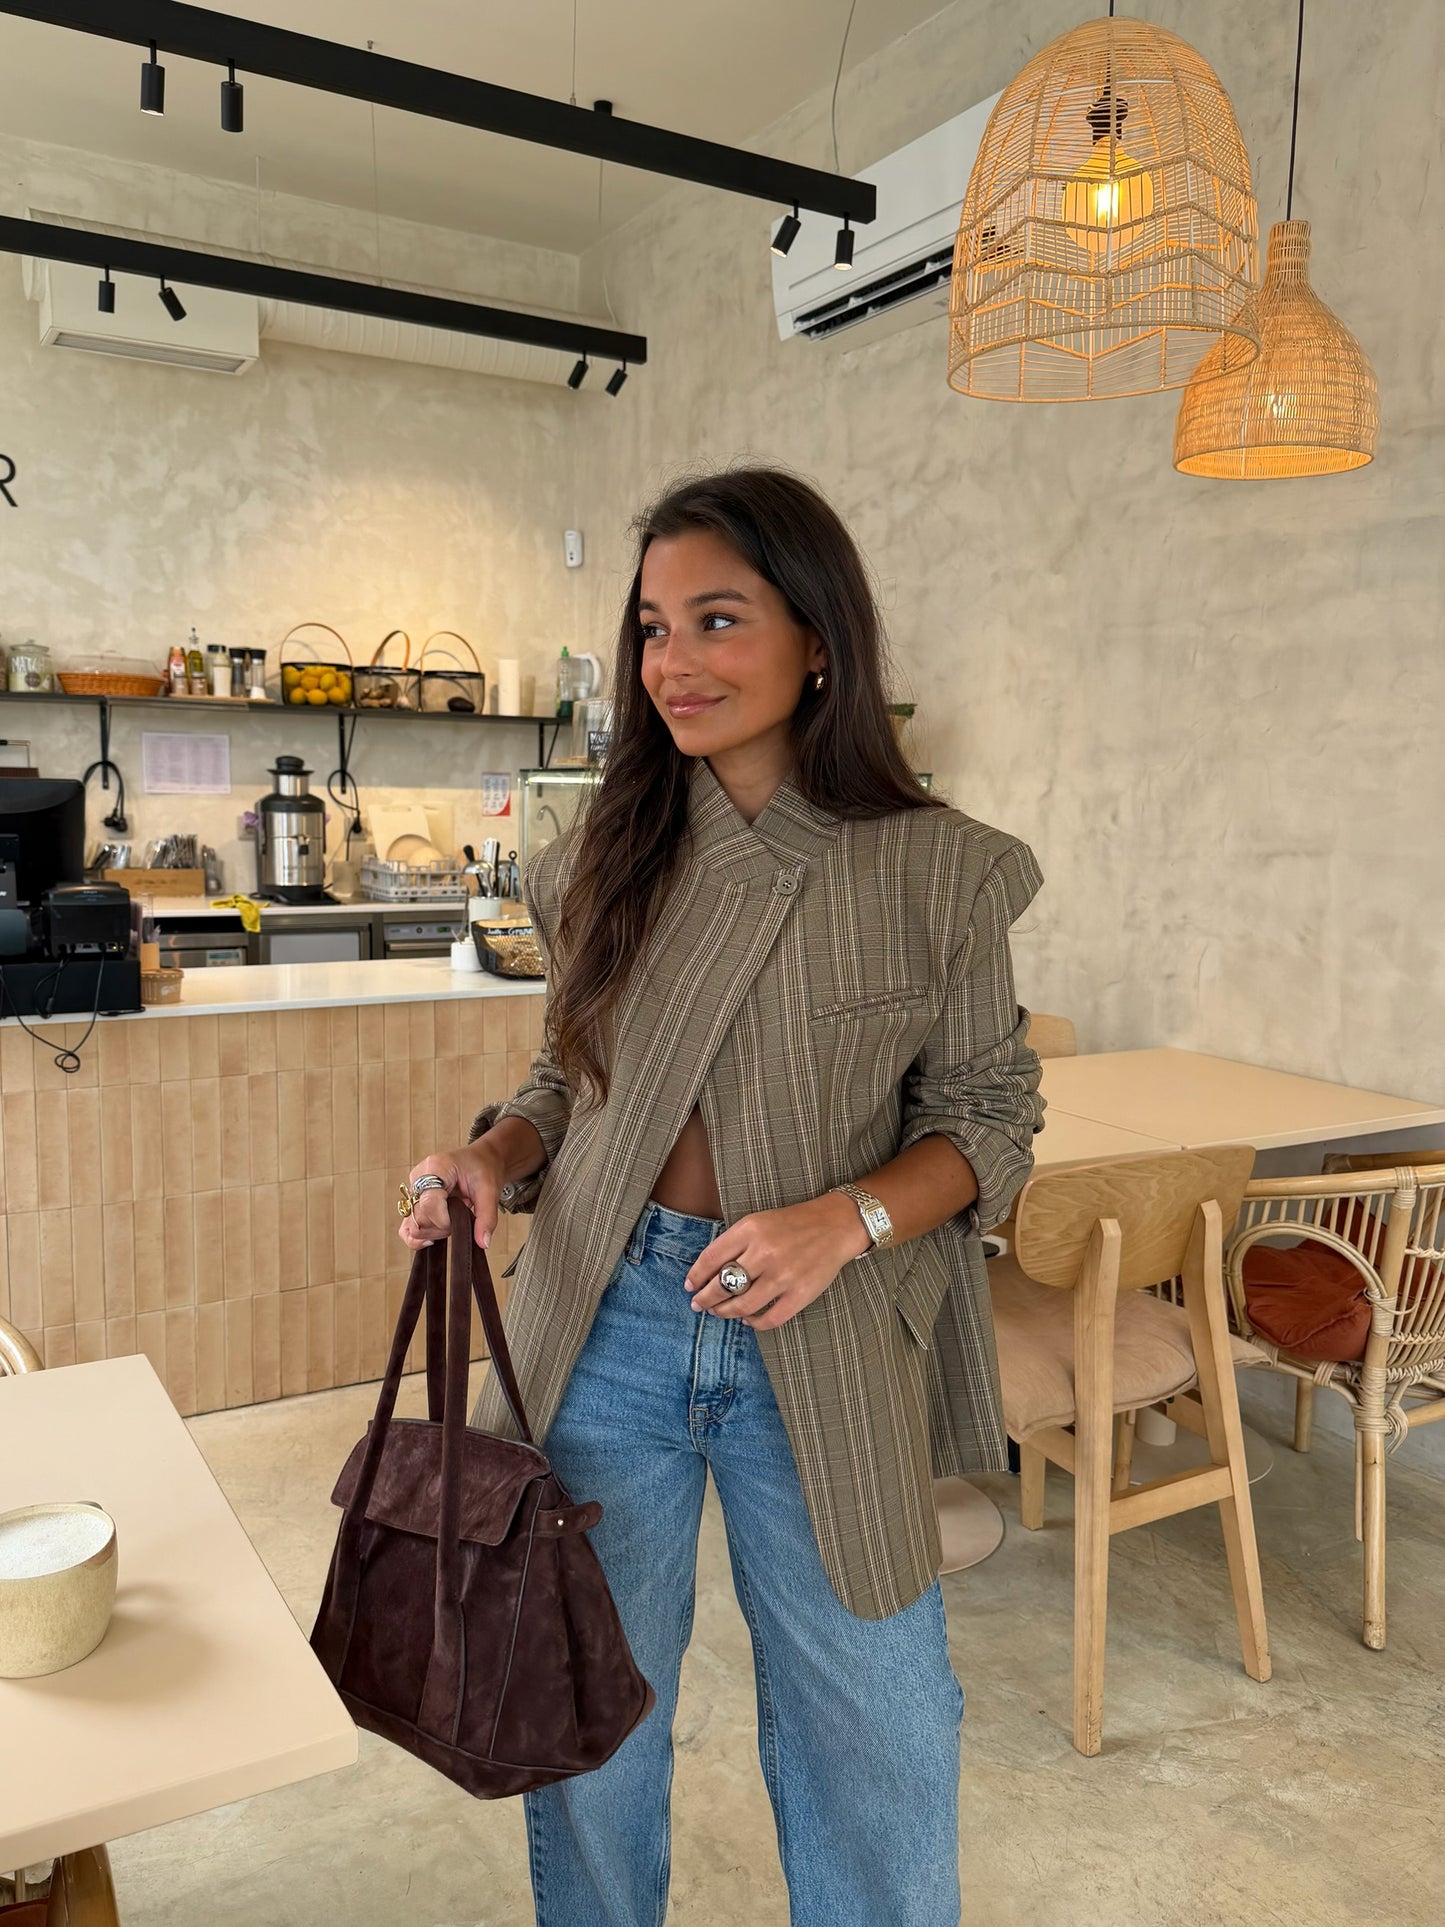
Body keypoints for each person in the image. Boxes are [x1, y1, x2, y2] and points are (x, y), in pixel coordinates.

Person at [401, 465, 1045, 1926]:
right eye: (649, 629)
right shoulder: (601, 861)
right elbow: (565, 1082)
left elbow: (991, 1120)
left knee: (877, 1723)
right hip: (606, 1322)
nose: (672, 663)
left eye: (714, 619)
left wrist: (850, 1216)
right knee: (590, 1710)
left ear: (818, 638)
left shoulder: (937, 872)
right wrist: (489, 1161)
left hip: (818, 1338)